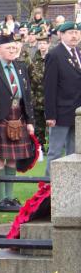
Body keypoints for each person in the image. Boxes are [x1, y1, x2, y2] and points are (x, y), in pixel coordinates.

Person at [0, 32, 35, 206]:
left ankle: (10, 197)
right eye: (8, 47)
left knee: (12, 158)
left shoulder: (20, 67)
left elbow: (27, 96)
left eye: (14, 47)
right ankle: (0, 198)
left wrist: (30, 122)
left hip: (18, 118)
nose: (12, 50)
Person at [44, 21, 81, 175]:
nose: (75, 35)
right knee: (55, 152)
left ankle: (70, 186)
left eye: (77, 32)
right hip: (60, 112)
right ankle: (47, 190)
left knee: (74, 153)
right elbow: (49, 86)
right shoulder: (55, 54)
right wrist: (51, 114)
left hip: (77, 112)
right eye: (70, 32)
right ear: (61, 35)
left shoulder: (78, 53)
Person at [28, 31, 50, 154]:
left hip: (49, 99)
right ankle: (39, 148)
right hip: (36, 100)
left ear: (48, 44)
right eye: (40, 43)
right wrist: (31, 98)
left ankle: (52, 147)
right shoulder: (32, 61)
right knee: (38, 127)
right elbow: (30, 82)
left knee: (51, 126)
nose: (42, 46)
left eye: (44, 43)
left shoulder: (52, 58)